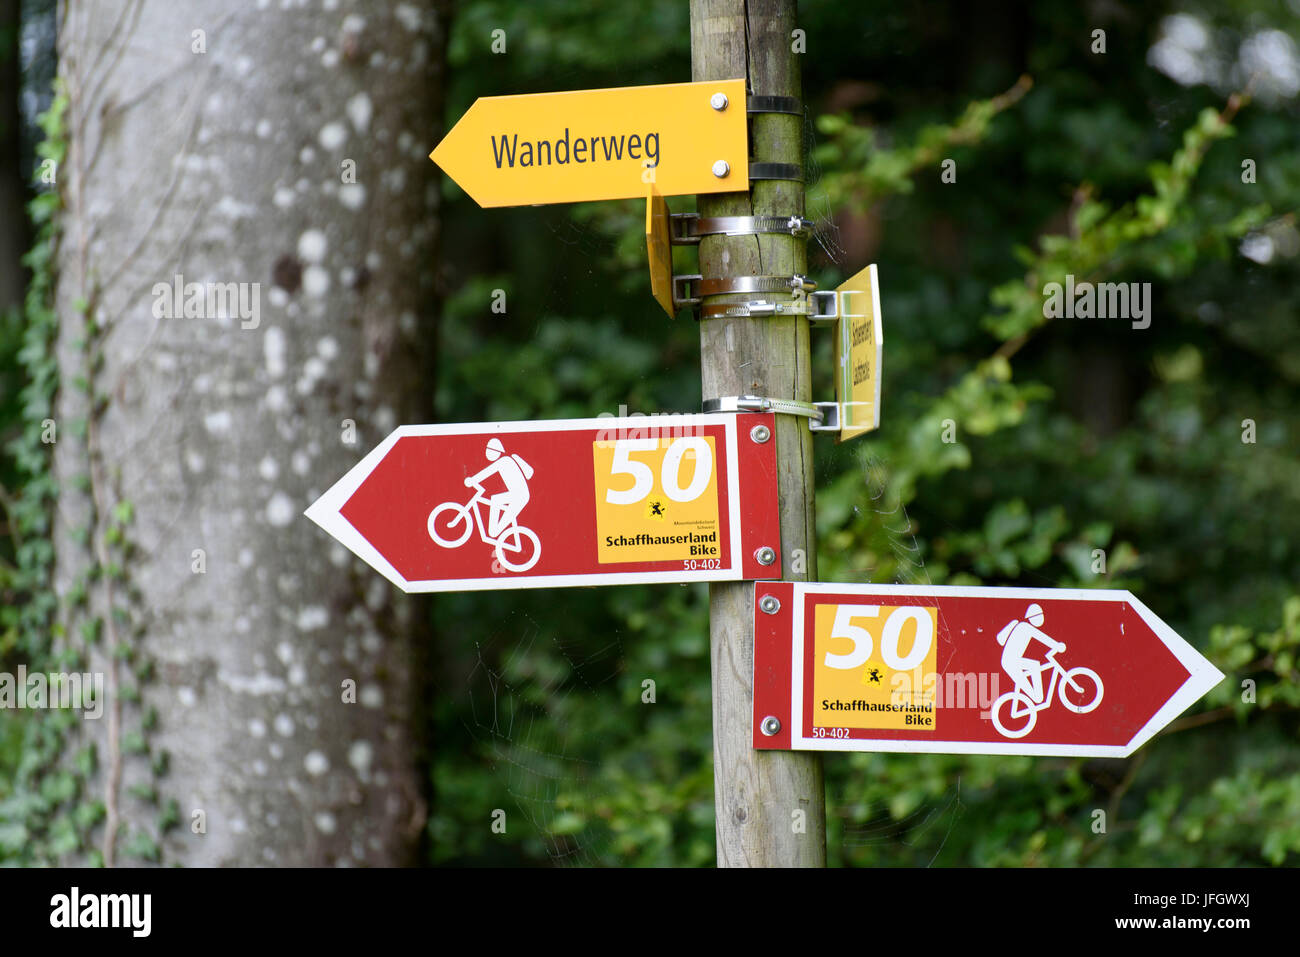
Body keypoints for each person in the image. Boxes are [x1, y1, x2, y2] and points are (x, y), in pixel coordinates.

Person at [996, 603, 1066, 704]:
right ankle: (1037, 698)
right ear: (1033, 617)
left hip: (1012, 661)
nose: (1042, 618)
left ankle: (1036, 698)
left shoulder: (1024, 626)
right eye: (1039, 616)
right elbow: (1042, 637)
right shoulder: (1025, 627)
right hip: (1010, 662)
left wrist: (1056, 646)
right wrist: (1056, 645)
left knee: (1034, 665)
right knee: (1034, 665)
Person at [464, 438, 534, 539]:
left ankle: (494, 533)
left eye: (490, 450)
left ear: (497, 452)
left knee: (496, 500)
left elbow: (487, 472)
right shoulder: (505, 460)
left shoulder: (504, 461)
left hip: (520, 496)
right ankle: (494, 533)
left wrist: (473, 480)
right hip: (517, 495)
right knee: (496, 499)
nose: (487, 453)